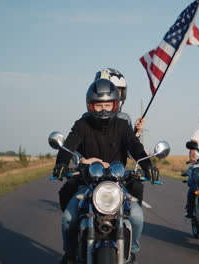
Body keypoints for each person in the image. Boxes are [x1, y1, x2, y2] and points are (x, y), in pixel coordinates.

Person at [52, 78, 158, 264]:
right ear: (90, 106)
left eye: (108, 105)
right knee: (69, 218)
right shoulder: (82, 125)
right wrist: (62, 162)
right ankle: (69, 254)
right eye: (98, 105)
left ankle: (131, 252)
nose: (103, 110)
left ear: (116, 105)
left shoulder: (122, 126)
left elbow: (135, 146)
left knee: (136, 215)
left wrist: (148, 165)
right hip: (88, 183)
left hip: (117, 184)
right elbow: (69, 145)